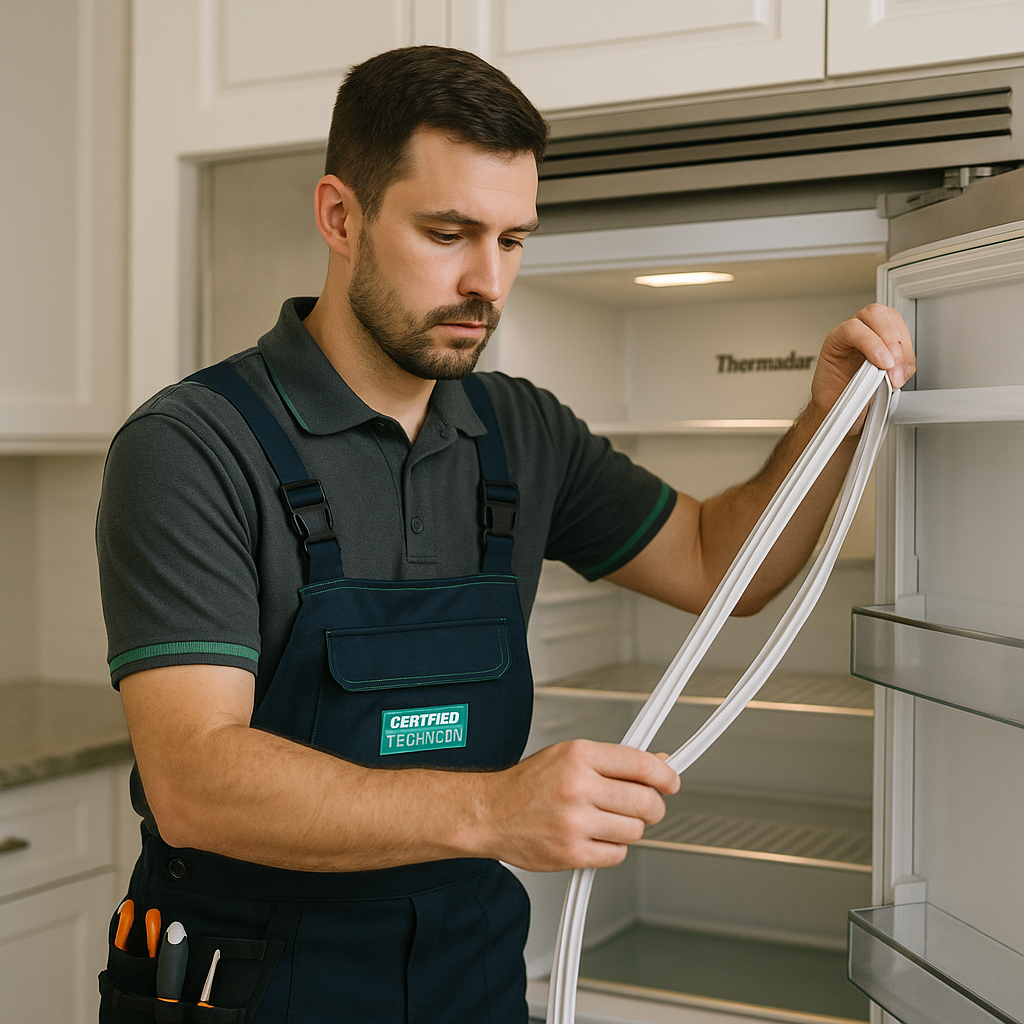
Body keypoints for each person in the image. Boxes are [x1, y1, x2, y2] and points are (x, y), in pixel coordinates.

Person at [95, 45, 915, 1024]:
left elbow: (716, 564)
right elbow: (194, 778)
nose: (488, 281)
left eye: (514, 239)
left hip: (470, 984)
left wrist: (829, 419)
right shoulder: (190, 446)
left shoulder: (520, 432)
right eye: (449, 232)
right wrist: (493, 808)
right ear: (339, 216)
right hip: (249, 991)